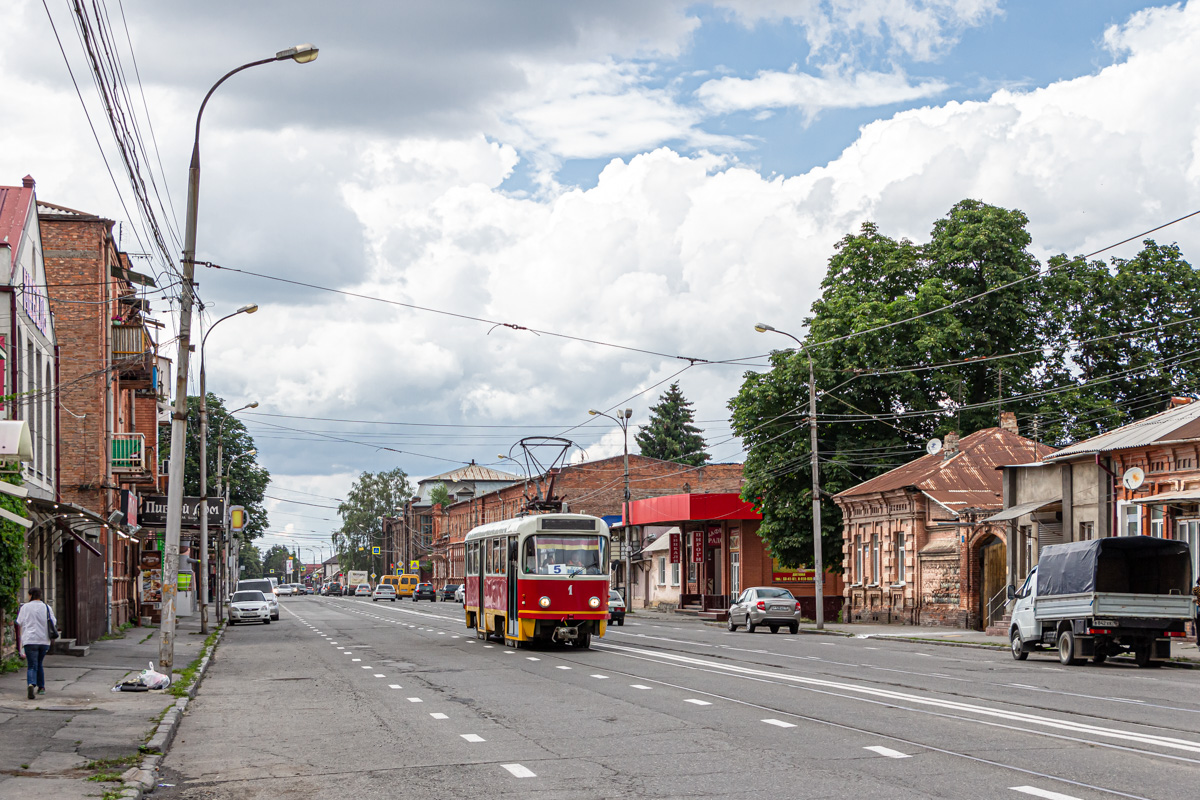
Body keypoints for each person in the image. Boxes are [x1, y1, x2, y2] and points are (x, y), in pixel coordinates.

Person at [15, 587, 56, 700]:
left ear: (31, 595)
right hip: (44, 640)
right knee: (39, 663)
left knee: (32, 665)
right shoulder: (47, 607)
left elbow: (19, 622)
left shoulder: (25, 607)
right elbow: (54, 621)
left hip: (30, 640)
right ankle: (41, 687)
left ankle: (31, 684)